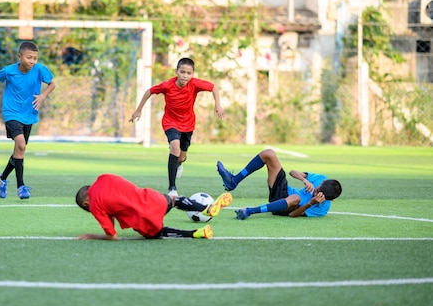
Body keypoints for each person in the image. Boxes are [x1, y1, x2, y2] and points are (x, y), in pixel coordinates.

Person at [129, 57, 225, 196]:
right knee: (174, 147)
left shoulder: (195, 84)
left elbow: (213, 87)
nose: (185, 76)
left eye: (188, 73)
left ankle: (179, 163)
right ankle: (172, 188)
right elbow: (149, 91)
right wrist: (138, 110)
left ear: (192, 74)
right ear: (177, 72)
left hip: (188, 124)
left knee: (181, 156)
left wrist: (218, 104)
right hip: (170, 122)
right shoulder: (167, 86)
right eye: (182, 72)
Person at [0, 41, 56, 199]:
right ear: (20, 57)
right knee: (21, 145)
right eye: (29, 57)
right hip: (11, 113)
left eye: (35, 58)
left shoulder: (39, 69)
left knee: (19, 150)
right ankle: (21, 187)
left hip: (29, 114)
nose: (32, 61)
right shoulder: (9, 71)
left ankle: (2, 178)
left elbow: (52, 83)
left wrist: (42, 96)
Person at [75, 174, 233, 240]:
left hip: (143, 219)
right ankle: (205, 208)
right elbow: (114, 198)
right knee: (174, 200)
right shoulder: (103, 178)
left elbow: (112, 236)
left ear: (86, 204)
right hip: (152, 198)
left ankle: (196, 233)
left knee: (156, 233)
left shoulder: (95, 205)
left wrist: (92, 235)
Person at [216, 149, 342, 219]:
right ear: (323, 182)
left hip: (286, 208)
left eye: (318, 194)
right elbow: (292, 172)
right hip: (284, 191)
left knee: (296, 198)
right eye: (317, 189)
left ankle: (250, 211)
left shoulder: (322, 209)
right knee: (269, 154)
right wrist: (304, 180)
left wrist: (310, 203)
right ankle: (233, 181)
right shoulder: (321, 178)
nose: (315, 192)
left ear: (329, 199)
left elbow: (293, 214)